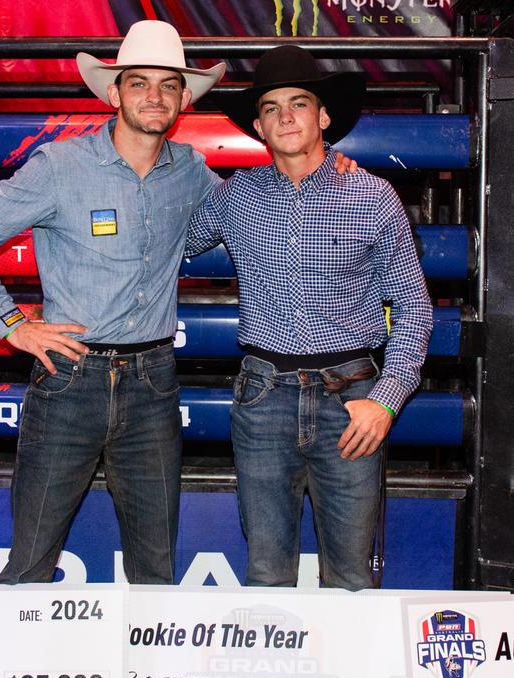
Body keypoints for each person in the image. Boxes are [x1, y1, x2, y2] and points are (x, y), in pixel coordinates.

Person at [0, 20, 226, 584]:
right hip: (71, 377)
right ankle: (13, 671)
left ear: (184, 99)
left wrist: (324, 166)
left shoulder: (191, 171)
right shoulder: (59, 166)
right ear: (114, 93)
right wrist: (13, 324)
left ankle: (147, 676)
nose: (154, 96)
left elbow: (250, 208)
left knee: (156, 570)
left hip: (153, 381)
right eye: (139, 83)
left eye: (168, 85)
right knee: (31, 563)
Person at [186, 45, 433, 590]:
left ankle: (357, 677)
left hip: (352, 402)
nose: (286, 116)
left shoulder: (373, 196)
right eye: (271, 107)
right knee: (266, 571)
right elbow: (171, 244)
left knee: (350, 577)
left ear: (323, 116)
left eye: (299, 103)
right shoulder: (236, 196)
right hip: (262, 396)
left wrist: (386, 401)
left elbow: (413, 306)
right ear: (258, 125)